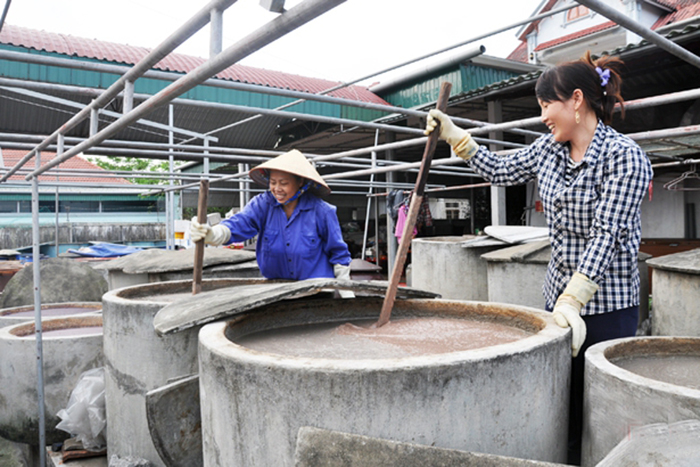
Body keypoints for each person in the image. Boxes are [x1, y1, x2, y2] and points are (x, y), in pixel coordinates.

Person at [425, 51, 653, 464]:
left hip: (608, 305)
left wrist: (575, 298)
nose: (544, 115)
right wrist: (456, 136)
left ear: (577, 100)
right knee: (560, 399)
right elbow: (500, 170)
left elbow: (608, 234)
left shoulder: (625, 156)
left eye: (547, 104)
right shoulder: (549, 149)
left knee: (599, 406)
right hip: (558, 303)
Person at [190, 149, 352, 284]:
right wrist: (215, 234)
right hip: (276, 288)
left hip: (317, 289)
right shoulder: (263, 204)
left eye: (284, 183)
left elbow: (338, 252)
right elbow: (241, 223)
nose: (277, 188)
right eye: (273, 182)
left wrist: (344, 288)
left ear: (301, 182)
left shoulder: (322, 211)